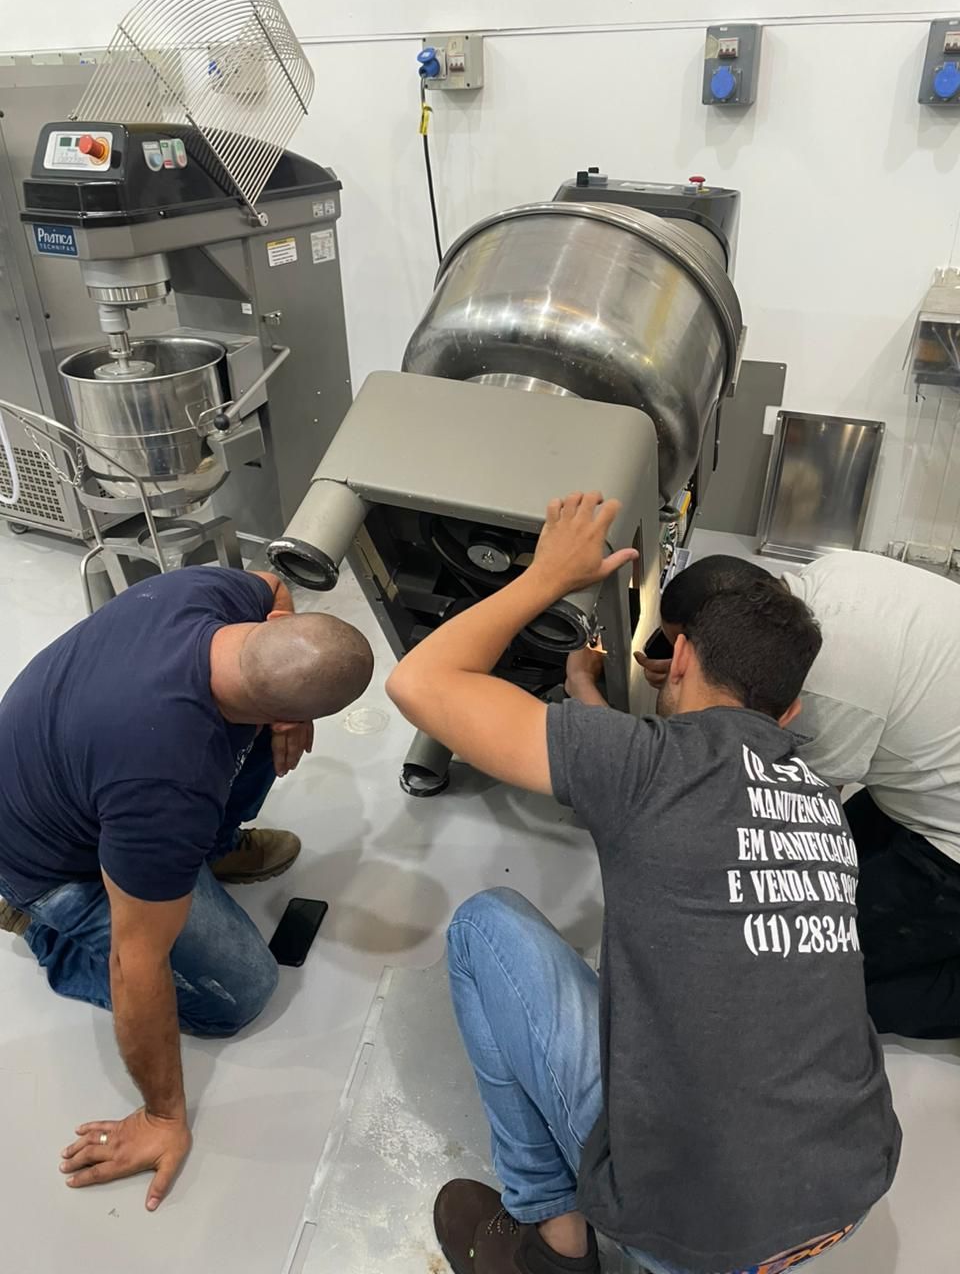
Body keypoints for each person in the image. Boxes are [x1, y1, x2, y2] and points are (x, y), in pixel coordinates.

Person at [386, 493, 900, 1274]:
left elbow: (420, 681)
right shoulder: (822, 804)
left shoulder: (646, 768)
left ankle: (551, 1248)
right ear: (788, 711)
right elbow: (652, 787)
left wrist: (545, 580)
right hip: (846, 1196)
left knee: (482, 927)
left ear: (681, 656)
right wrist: (586, 692)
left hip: (688, 1227)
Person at [0, 566, 372, 1211]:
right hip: (50, 859)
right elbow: (134, 961)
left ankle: (198, 859)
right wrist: (162, 1116)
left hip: (74, 771)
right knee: (242, 993)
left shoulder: (207, 594)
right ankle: (38, 925)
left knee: (251, 744)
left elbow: (272, 584)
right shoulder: (164, 787)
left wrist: (281, 722)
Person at [639, 550, 960, 1040]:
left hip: (949, 843)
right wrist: (700, 676)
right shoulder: (817, 584)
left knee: (806, 979)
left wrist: (690, 700)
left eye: (683, 651)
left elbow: (794, 820)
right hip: (928, 772)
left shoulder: (828, 694)